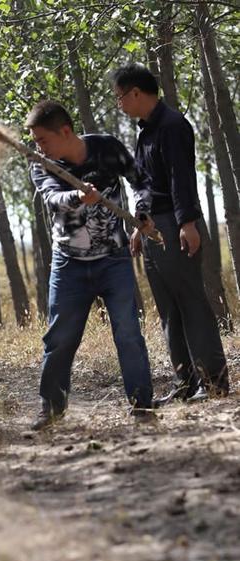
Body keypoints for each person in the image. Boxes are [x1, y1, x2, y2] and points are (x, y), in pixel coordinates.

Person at [26, 100, 154, 431]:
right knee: (60, 337)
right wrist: (78, 198)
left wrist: (141, 213)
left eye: (42, 139)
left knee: (127, 331)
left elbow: (139, 179)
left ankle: (142, 406)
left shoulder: (107, 147)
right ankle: (51, 409)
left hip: (114, 260)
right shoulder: (42, 163)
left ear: (65, 131)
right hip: (68, 264)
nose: (38, 146)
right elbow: (52, 198)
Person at [112, 63, 228, 405]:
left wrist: (187, 223)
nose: (119, 104)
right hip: (152, 227)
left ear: (136, 93)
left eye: (120, 97)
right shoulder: (144, 131)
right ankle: (186, 382)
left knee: (191, 302)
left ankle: (214, 383)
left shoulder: (173, 126)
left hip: (175, 224)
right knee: (168, 308)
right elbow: (145, 185)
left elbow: (181, 179)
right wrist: (139, 224)